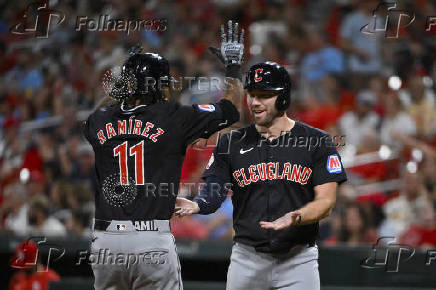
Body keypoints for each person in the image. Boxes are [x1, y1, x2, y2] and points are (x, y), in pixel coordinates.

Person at [82, 21, 244, 290]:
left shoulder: (98, 120)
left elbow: (103, 110)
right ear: (160, 86)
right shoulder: (174, 117)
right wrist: (234, 67)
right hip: (150, 239)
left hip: (106, 240)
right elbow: (230, 109)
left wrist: (128, 74)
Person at [176, 62, 347, 290]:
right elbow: (215, 189)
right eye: (252, 95)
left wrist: (297, 216)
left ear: (284, 98)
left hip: (298, 259)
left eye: (265, 95)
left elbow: (326, 202)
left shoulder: (317, 141)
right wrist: (199, 205)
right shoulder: (230, 142)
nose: (255, 102)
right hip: (246, 258)